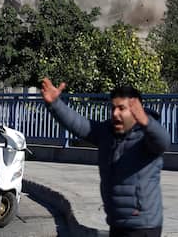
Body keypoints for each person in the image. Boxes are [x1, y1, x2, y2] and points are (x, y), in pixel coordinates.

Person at [41, 79, 170, 237]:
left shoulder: (146, 138)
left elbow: (163, 141)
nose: (115, 113)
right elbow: (79, 124)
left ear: (137, 111)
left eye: (121, 108)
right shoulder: (107, 133)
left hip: (143, 226)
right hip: (117, 222)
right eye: (113, 108)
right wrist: (55, 103)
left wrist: (146, 122)